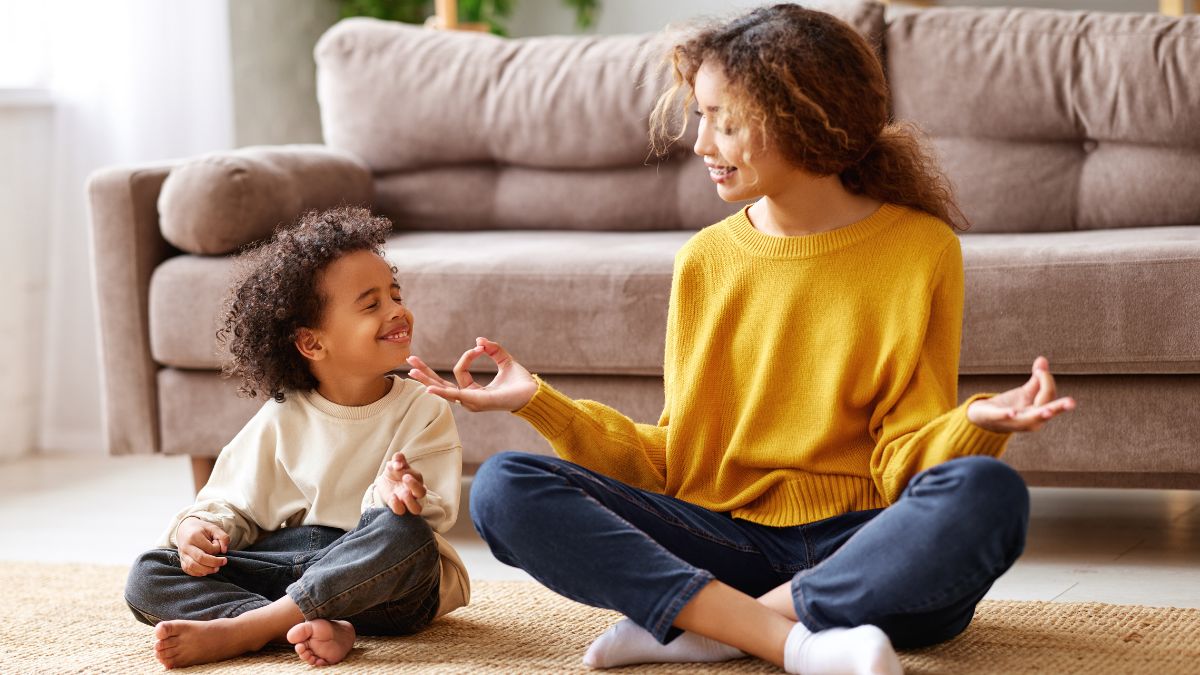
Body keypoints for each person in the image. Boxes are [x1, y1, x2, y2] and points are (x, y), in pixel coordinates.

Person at [406, 5, 1075, 675]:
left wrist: (977, 422)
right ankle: (787, 635)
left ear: (805, 123)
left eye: (724, 122)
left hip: (865, 549)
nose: (701, 144)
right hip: (719, 538)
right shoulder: (706, 259)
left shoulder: (921, 249)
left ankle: (714, 626)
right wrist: (539, 403)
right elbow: (677, 456)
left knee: (988, 492)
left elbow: (904, 457)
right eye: (701, 117)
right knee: (503, 487)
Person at [123, 207, 469, 669]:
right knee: (150, 573)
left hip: (383, 586)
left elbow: (430, 518)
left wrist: (392, 499)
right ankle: (311, 626)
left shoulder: (424, 408)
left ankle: (251, 629)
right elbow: (230, 502)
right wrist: (198, 530)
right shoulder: (282, 416)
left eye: (395, 294)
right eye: (371, 304)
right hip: (292, 566)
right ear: (312, 344)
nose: (396, 311)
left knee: (406, 536)